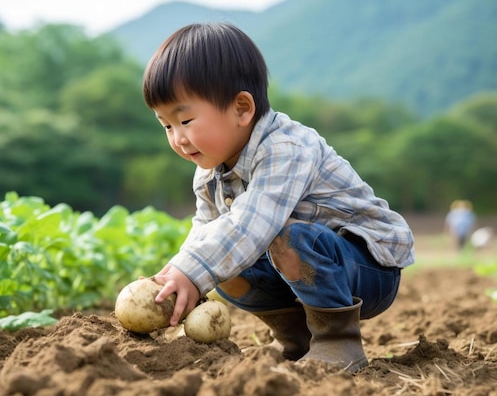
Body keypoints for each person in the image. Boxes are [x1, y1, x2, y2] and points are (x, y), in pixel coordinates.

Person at [143, 22, 415, 373]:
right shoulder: (209, 171)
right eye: (166, 125)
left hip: (368, 267)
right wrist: (175, 276)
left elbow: (251, 224)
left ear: (242, 109)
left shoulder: (286, 148)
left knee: (283, 241)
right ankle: (296, 337)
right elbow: (206, 231)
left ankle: (338, 343)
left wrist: (192, 272)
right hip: (300, 263)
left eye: (186, 120)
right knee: (223, 265)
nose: (178, 138)